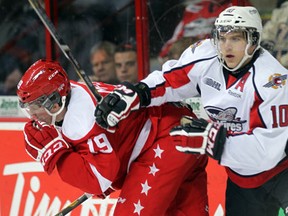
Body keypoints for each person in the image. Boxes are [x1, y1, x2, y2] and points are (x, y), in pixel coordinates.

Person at [95, 6, 288, 216]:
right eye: (222, 38)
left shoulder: (272, 81)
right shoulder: (206, 55)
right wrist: (136, 94)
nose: (226, 46)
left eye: (236, 38)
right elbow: (169, 81)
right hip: (240, 178)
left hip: (282, 173)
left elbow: (267, 154)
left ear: (253, 40)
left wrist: (213, 141)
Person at [17, 59, 209, 215]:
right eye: (27, 109)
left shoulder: (82, 119)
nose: (32, 116)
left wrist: (55, 154)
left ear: (54, 103)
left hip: (165, 139)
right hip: (179, 131)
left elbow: (98, 181)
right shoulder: (70, 95)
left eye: (35, 107)